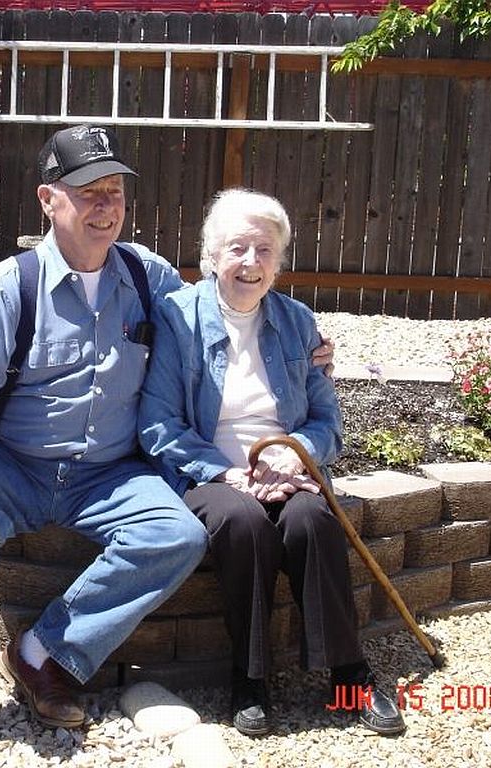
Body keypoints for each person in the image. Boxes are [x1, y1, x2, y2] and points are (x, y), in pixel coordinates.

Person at [0, 124, 212, 745]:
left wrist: (297, 346)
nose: (104, 206)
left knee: (177, 535)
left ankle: (40, 654)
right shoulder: (11, 284)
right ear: (48, 199)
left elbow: (216, 323)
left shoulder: (148, 277)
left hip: (110, 473)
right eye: (88, 192)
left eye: (114, 191)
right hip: (16, 464)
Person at [137, 188, 404, 738]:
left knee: (312, 520)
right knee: (243, 523)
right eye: (237, 248)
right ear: (212, 255)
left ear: (278, 263)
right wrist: (227, 472)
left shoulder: (297, 322)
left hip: (285, 468)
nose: (250, 262)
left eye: (264, 250)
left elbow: (327, 420)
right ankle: (250, 678)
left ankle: (349, 673)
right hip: (208, 471)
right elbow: (158, 424)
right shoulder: (177, 319)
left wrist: (293, 452)